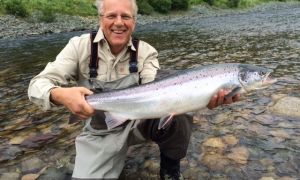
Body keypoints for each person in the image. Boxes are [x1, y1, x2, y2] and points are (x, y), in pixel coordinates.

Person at [28, 0, 239, 179]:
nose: (119, 23)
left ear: (134, 22)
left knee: (181, 115)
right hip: (102, 130)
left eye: (126, 17)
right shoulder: (79, 47)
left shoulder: (146, 52)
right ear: (101, 18)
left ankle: (170, 171)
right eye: (112, 16)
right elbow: (37, 84)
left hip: (140, 122)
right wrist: (60, 94)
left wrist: (203, 98)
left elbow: (161, 91)